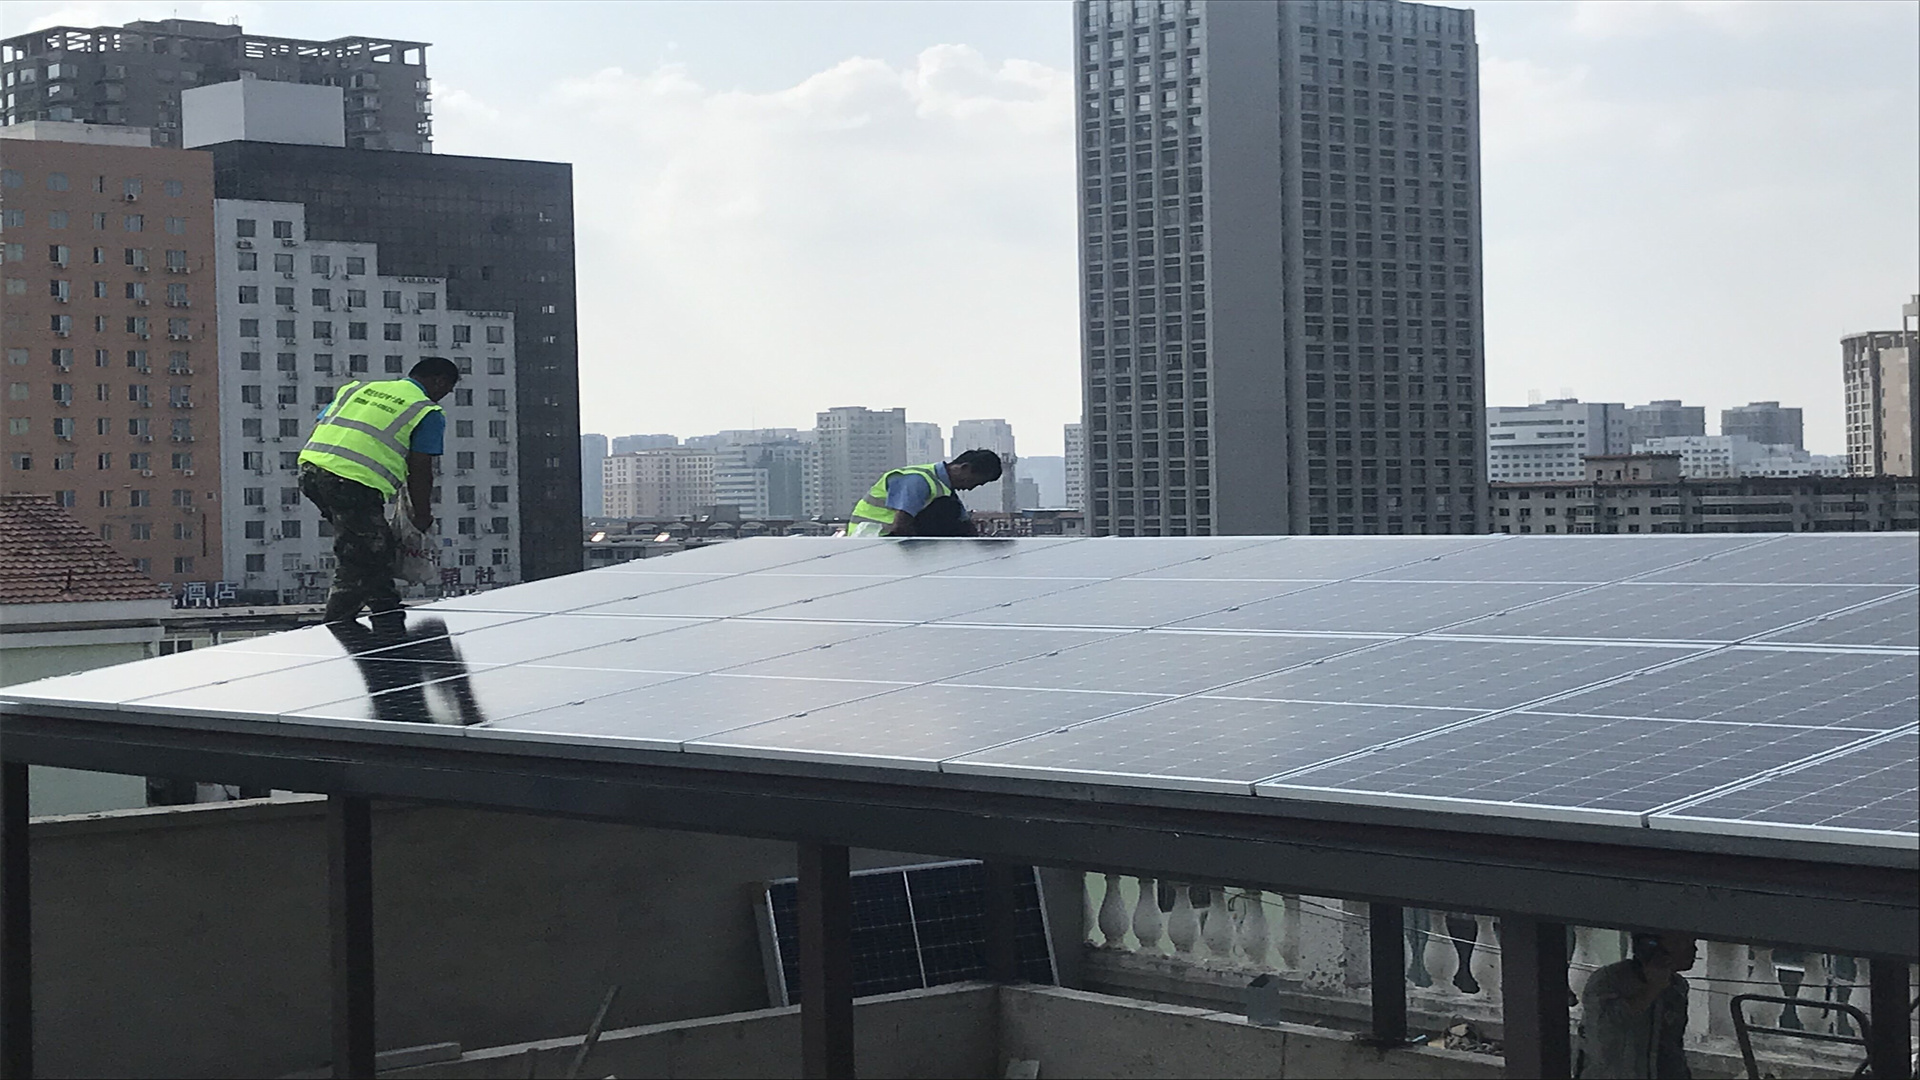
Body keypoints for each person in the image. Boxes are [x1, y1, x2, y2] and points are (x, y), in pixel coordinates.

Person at [298, 356, 459, 622]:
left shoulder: (358, 389)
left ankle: (386, 607)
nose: (443, 397)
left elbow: (323, 425)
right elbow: (420, 468)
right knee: (362, 555)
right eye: (447, 391)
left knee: (373, 544)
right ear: (439, 381)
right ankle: (335, 624)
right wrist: (421, 514)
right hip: (352, 483)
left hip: (312, 472)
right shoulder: (426, 411)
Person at [1574, 932, 1697, 1079]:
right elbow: (1606, 1029)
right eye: (1682, 942)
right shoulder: (1609, 979)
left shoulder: (1677, 987)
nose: (1693, 950)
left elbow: (1672, 1044)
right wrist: (1652, 988)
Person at [844, 448, 1003, 537]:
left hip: (888, 541)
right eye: (974, 481)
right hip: (874, 539)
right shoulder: (917, 481)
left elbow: (965, 526)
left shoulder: (945, 488)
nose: (970, 488)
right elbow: (900, 527)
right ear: (964, 468)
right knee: (945, 508)